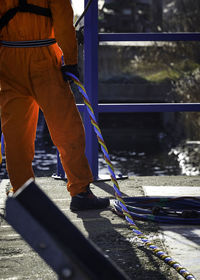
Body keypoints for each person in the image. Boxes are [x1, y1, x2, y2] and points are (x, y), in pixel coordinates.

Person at [0, 0, 109, 211]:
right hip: (45, 59)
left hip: (8, 62)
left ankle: (22, 193)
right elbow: (63, 22)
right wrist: (70, 61)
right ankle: (80, 192)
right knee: (67, 129)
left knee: (16, 134)